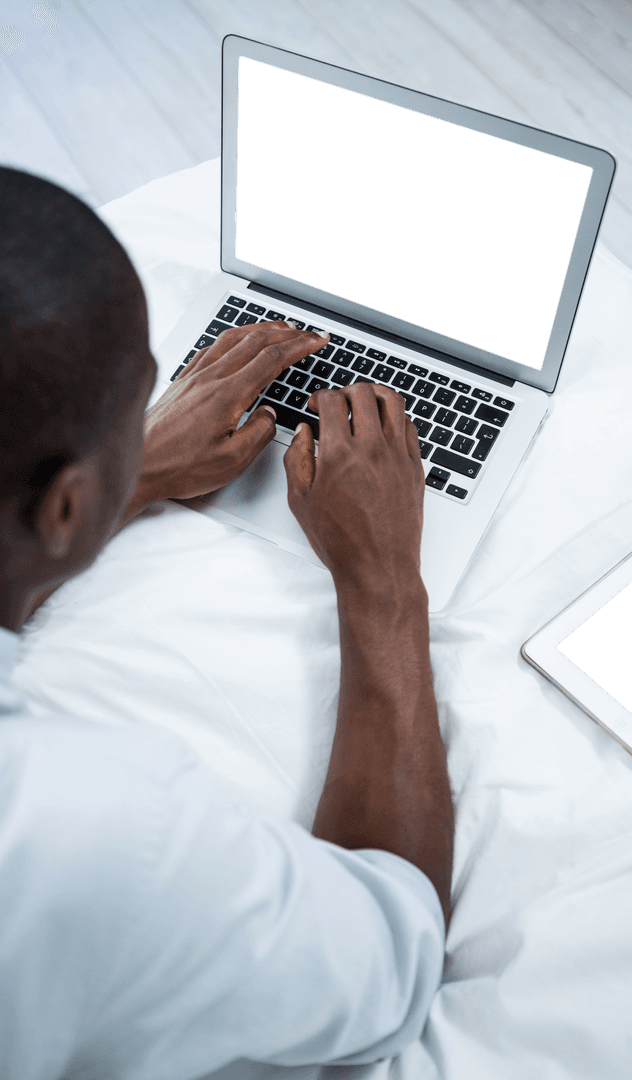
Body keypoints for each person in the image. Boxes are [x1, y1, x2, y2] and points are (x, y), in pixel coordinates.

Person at [0, 166, 455, 1079]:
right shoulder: (105, 829)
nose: (155, 418)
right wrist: (383, 583)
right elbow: (386, 964)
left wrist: (123, 477)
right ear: (60, 507)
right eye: (142, 408)